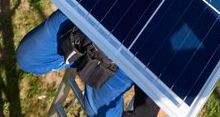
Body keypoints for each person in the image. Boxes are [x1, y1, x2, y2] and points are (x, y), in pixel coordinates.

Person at [17, 10, 161, 117]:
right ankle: (80, 58)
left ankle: (90, 65)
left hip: (124, 60)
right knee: (28, 59)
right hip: (89, 15)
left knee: (98, 113)